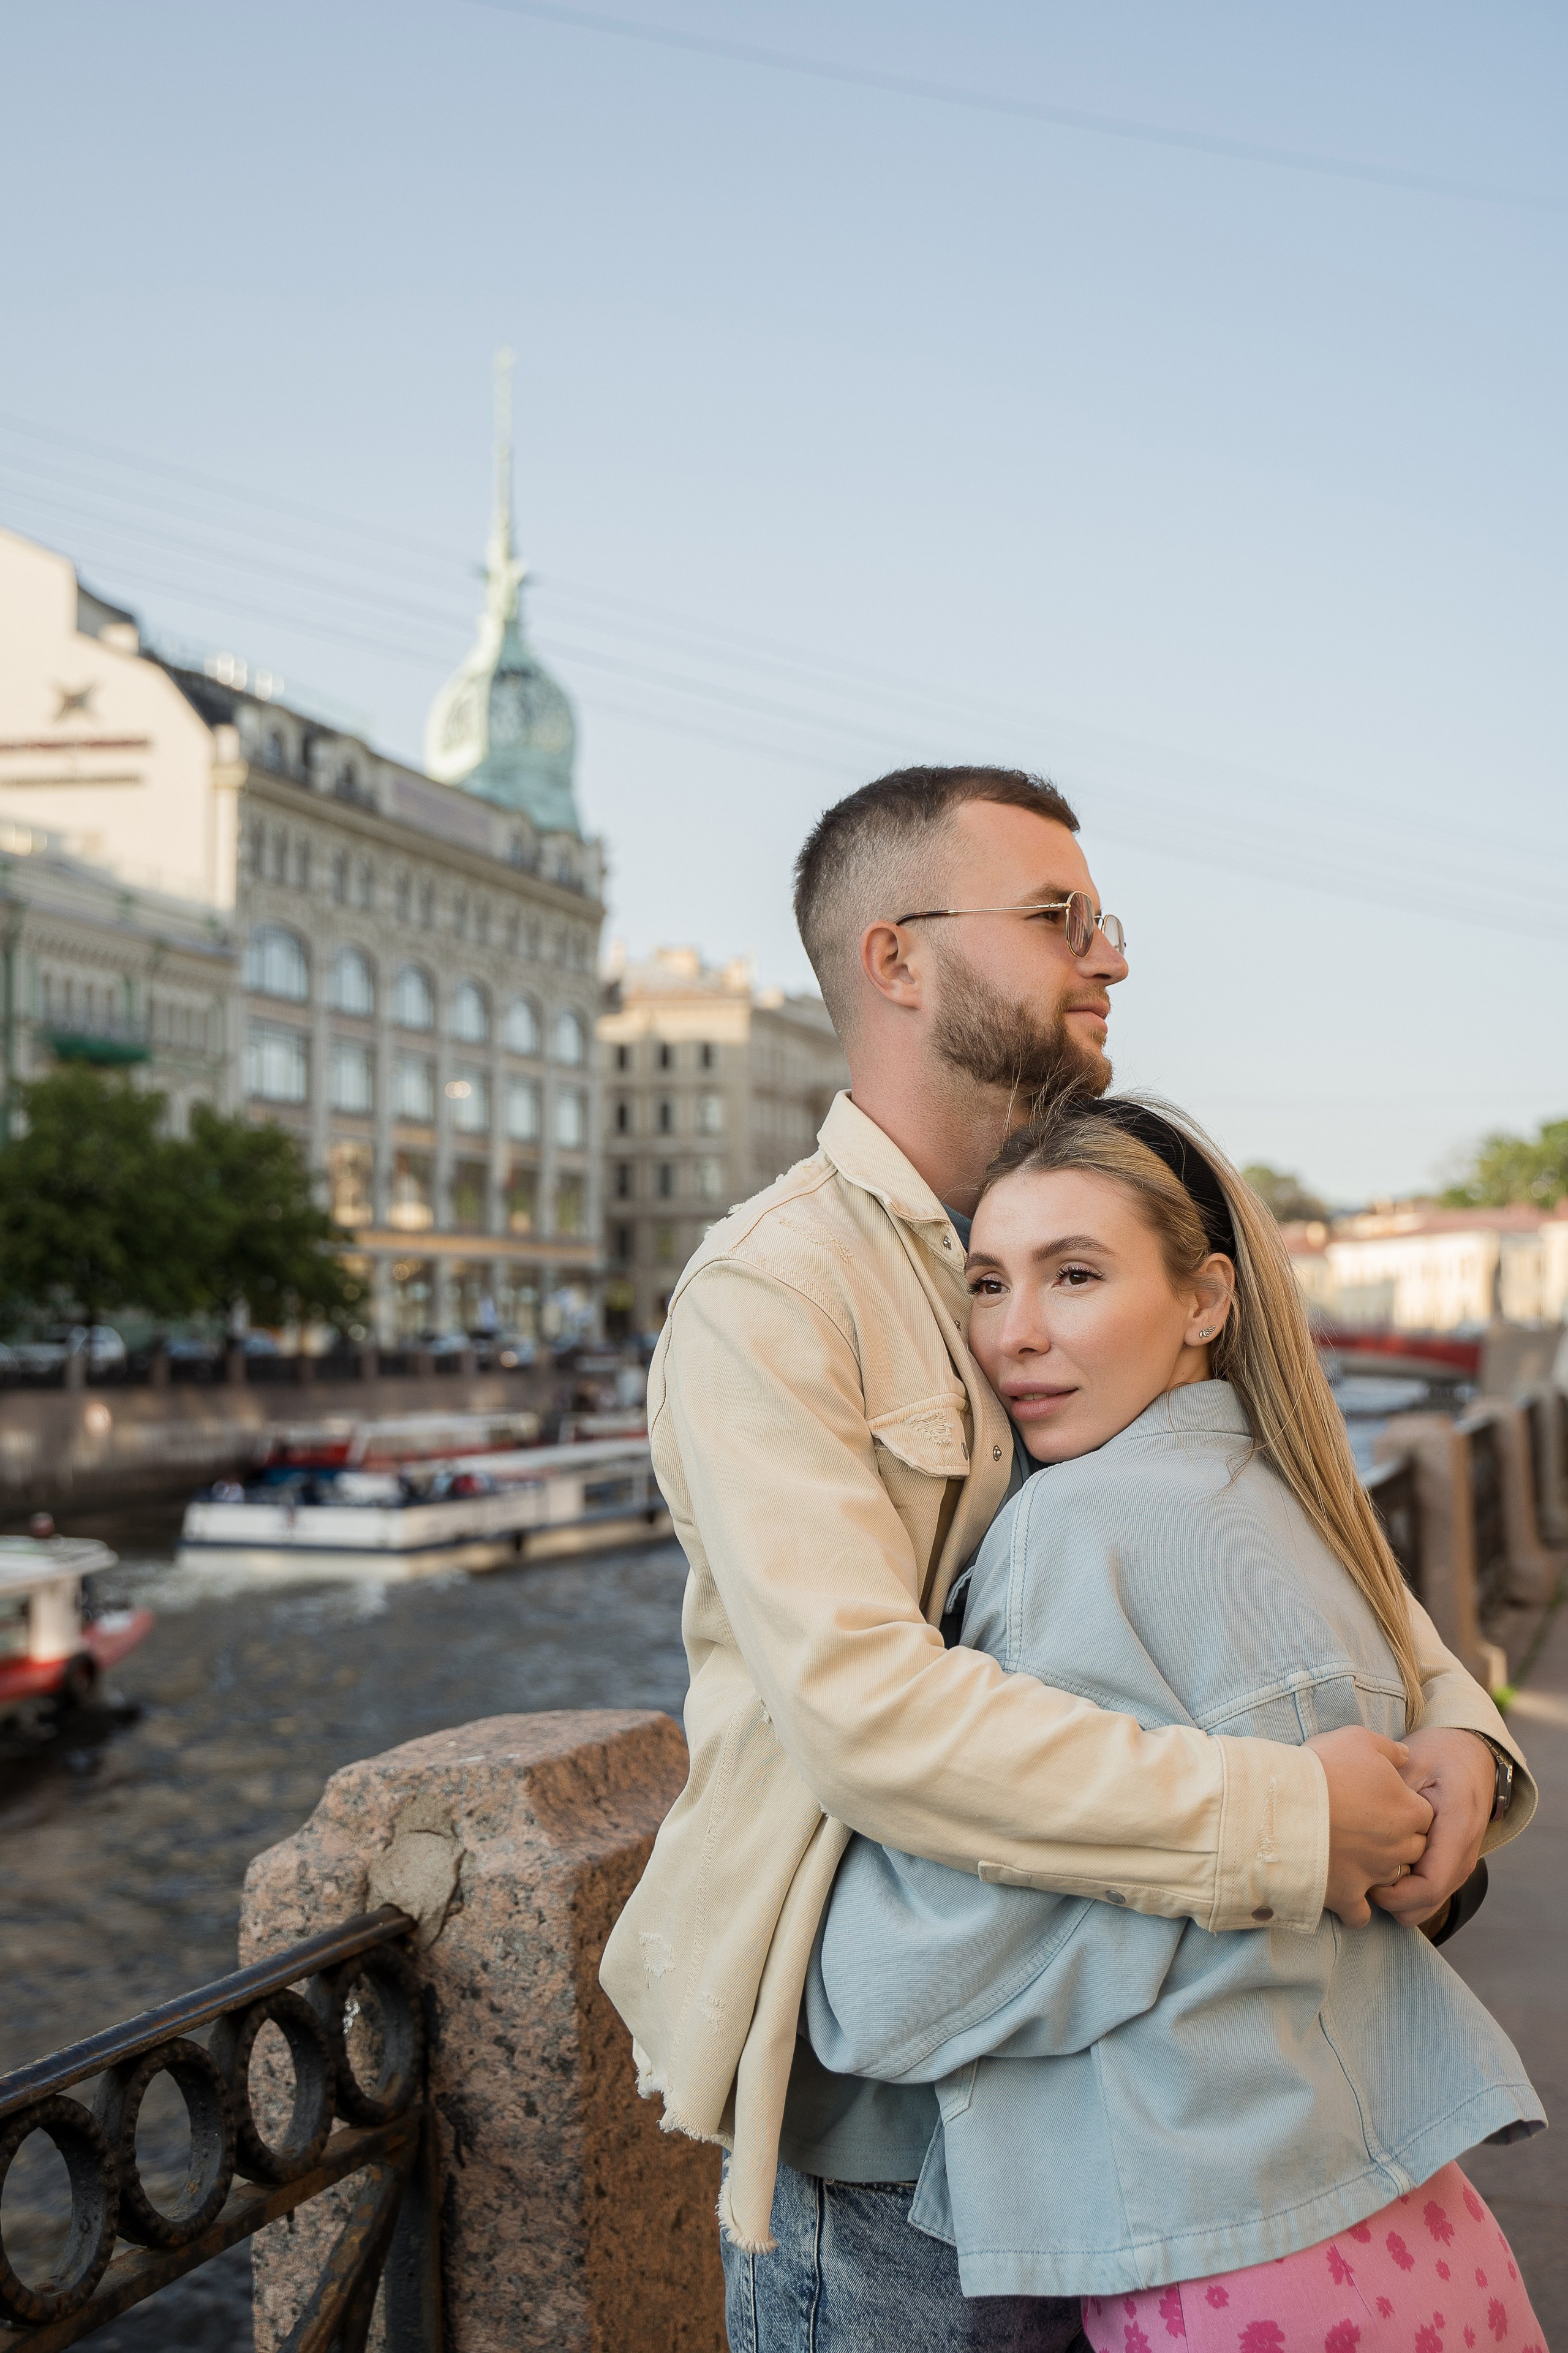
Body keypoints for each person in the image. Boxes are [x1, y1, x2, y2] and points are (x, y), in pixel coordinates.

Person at [598, 766, 1531, 2352]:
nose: (1109, 956)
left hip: (1138, 2095)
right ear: (897, 958)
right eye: (1057, 919)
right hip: (899, 2126)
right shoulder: (774, 1290)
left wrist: (1462, 1731)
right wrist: (1291, 1812)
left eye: (1097, 920)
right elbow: (870, 1718)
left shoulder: (1109, 1198)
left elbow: (1290, 1481)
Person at [806, 1093, 1543, 2346]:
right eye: (985, 1284)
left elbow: (886, 1994)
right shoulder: (1310, 1505)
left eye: (1074, 1274)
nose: (1013, 1336)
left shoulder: (1065, 1532)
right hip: (1419, 2221)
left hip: (1228, 2268)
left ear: (1204, 1299)